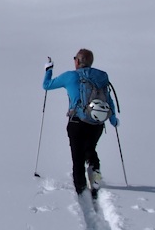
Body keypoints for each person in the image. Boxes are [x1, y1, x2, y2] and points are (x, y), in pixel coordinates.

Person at [43, 48, 118, 197]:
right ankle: (95, 174)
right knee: (90, 149)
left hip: (76, 122)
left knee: (77, 157)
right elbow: (108, 99)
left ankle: (81, 190)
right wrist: (113, 118)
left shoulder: (70, 76)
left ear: (77, 61)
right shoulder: (101, 77)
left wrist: (48, 70)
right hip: (96, 122)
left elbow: (47, 85)